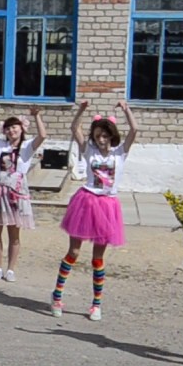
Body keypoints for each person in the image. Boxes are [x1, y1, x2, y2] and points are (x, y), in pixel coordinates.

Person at [51, 99, 140, 321]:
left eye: (105, 136)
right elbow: (74, 128)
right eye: (98, 135)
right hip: (87, 202)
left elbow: (135, 130)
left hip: (107, 205)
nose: (102, 140)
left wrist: (126, 109)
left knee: (98, 258)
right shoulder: (89, 150)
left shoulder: (120, 153)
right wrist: (81, 110)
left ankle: (96, 304)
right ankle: (57, 295)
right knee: (74, 252)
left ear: (112, 136)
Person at [0, 107, 47, 282]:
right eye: (8, 127)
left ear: (22, 129)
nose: (11, 130)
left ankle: (11, 269)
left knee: (14, 233)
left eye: (15, 127)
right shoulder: (0, 144)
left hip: (17, 193)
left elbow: (42, 136)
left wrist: (37, 116)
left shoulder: (27, 147)